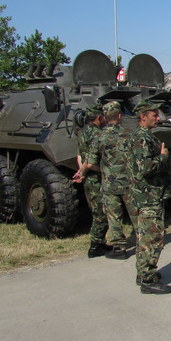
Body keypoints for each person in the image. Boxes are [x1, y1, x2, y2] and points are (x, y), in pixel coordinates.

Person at [127, 99, 171, 295]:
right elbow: (145, 168)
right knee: (152, 237)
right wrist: (163, 156)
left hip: (148, 194)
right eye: (154, 115)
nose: (158, 117)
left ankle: (143, 272)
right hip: (148, 196)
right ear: (142, 116)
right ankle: (148, 279)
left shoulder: (145, 136)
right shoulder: (141, 138)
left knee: (144, 236)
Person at [93, 101, 134, 259]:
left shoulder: (100, 136)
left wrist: (104, 170)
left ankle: (118, 248)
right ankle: (143, 241)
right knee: (135, 214)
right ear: (119, 116)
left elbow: (90, 162)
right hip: (129, 183)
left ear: (104, 117)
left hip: (110, 183)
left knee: (114, 216)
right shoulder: (130, 134)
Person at [72, 104, 111, 258]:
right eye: (103, 118)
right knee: (101, 212)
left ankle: (99, 243)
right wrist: (102, 171)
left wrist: (81, 172)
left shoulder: (82, 132)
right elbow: (90, 161)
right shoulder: (98, 134)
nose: (105, 120)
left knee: (97, 210)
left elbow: (80, 156)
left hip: (88, 178)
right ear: (98, 118)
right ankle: (96, 245)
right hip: (96, 178)